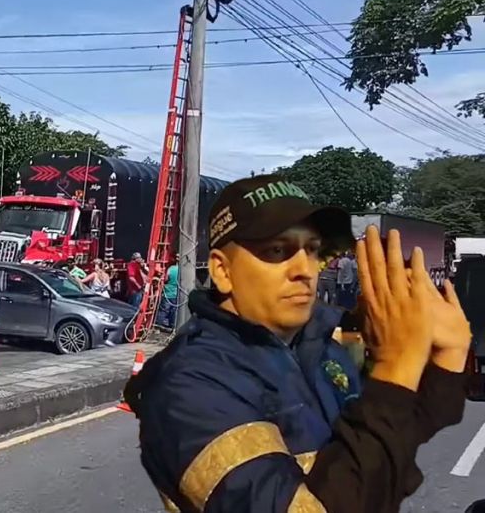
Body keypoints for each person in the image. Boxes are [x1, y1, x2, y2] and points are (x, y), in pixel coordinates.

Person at [124, 175, 470, 513]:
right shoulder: (189, 383)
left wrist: (448, 358)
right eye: (278, 250)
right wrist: (397, 366)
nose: (305, 269)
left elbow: (389, 438)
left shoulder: (318, 345)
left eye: (312, 250)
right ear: (222, 271)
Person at [157, 255, 179, 328]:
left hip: (167, 293)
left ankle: (158, 326)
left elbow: (166, 279)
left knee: (163, 310)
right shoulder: (183, 270)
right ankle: (172, 326)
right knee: (174, 311)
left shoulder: (171, 269)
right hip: (176, 294)